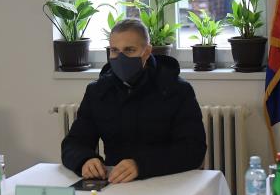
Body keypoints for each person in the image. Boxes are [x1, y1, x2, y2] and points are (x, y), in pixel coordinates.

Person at [61, 18, 206, 183]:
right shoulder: (98, 92)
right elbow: (73, 143)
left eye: (129, 50)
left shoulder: (177, 90)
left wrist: (141, 165)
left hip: (166, 183)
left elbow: (193, 149)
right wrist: (85, 160)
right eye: (114, 50)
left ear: (147, 51)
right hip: (117, 184)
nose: (120, 57)